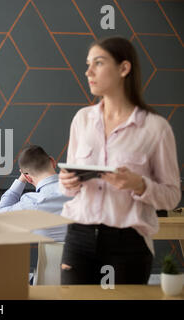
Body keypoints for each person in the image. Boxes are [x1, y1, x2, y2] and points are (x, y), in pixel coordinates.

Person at [58, 36, 181, 285]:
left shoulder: (155, 128)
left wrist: (140, 185)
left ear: (124, 68)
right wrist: (67, 182)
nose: (88, 71)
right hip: (78, 237)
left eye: (99, 63)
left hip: (128, 244)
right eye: (88, 63)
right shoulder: (81, 120)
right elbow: (67, 189)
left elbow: (172, 195)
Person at [0, 145, 72, 242]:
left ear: (27, 177)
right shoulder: (81, 191)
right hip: (84, 256)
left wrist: (21, 179)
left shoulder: (31, 203)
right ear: (52, 161)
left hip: (49, 257)